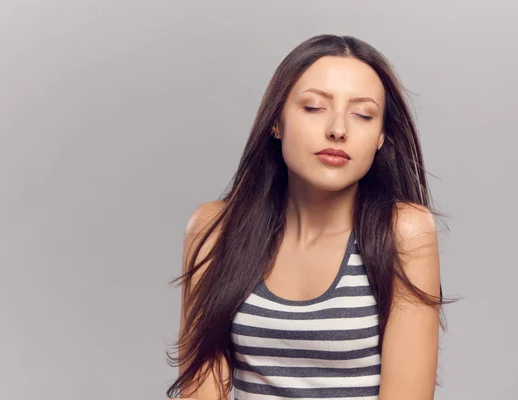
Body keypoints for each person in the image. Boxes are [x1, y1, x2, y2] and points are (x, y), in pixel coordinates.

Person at [166, 34, 448, 400]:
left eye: (363, 114)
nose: (338, 129)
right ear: (276, 122)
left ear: (380, 138)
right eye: (314, 107)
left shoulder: (404, 232)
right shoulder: (215, 230)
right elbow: (200, 390)